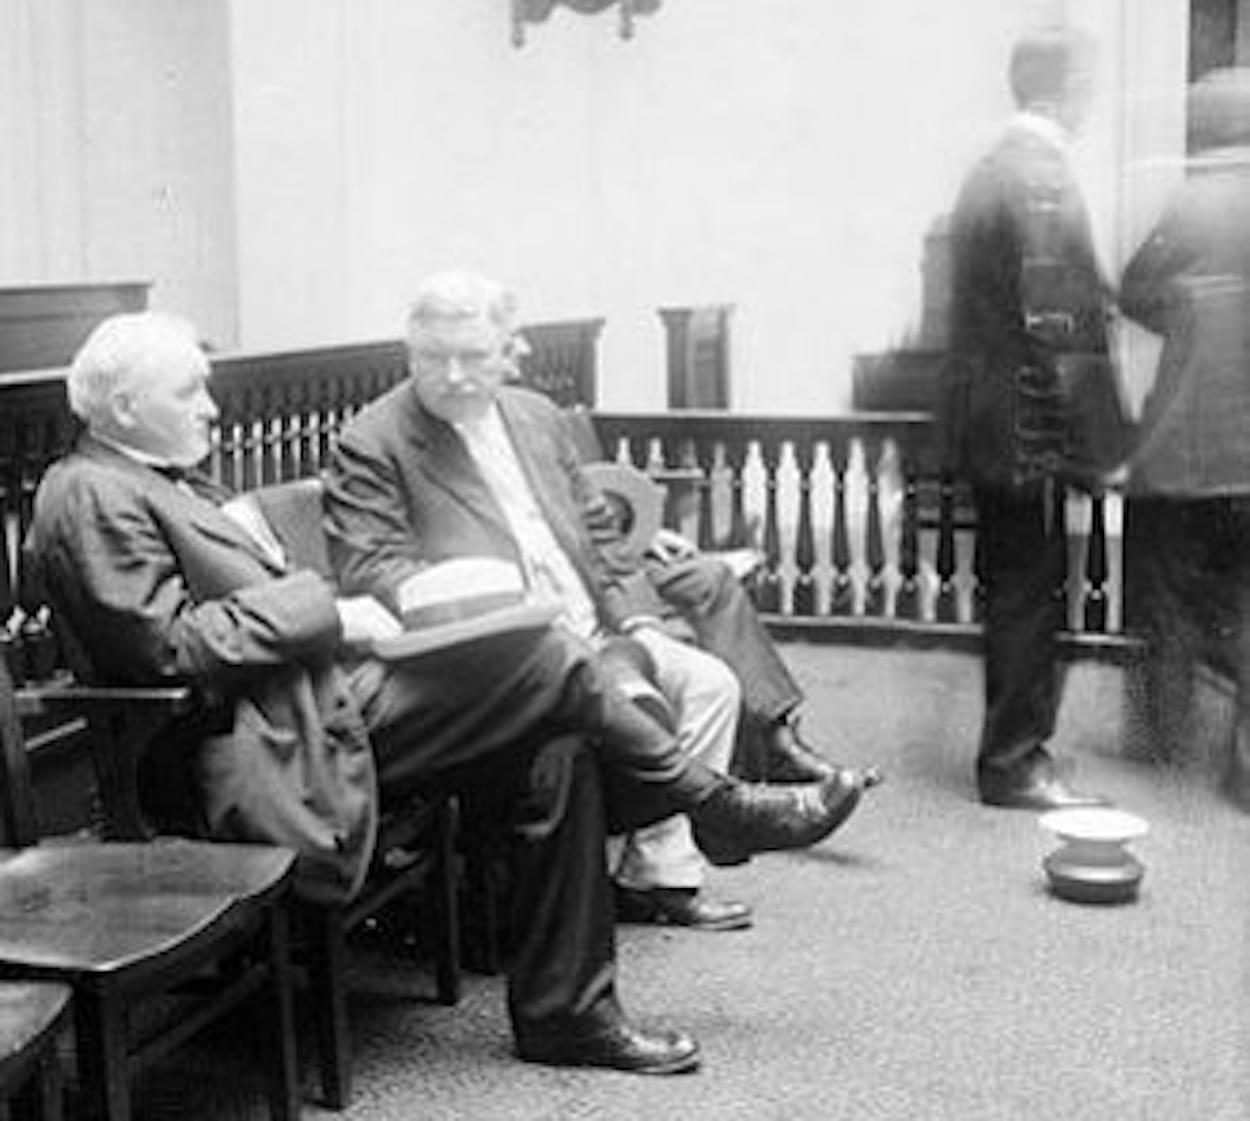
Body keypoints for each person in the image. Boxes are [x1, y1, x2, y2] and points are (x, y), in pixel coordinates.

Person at [30, 310, 863, 1075]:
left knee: (557, 738)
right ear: (124, 406)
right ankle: (706, 803)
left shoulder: (164, 476)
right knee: (546, 660)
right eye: (190, 391)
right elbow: (167, 649)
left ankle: (568, 1014)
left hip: (319, 705)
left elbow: (232, 613)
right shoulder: (90, 492)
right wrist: (326, 608)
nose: (211, 407)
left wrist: (345, 615)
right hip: (260, 743)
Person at [323, 271, 873, 934]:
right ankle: (721, 811)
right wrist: (488, 592)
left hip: (594, 623)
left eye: (473, 357)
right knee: (623, 702)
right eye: (433, 358)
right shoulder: (373, 440)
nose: (455, 375)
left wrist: (639, 618)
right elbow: (371, 565)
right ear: (409, 354)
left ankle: (659, 878)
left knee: (712, 682)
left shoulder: (534, 416)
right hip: (495, 649)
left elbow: (597, 531)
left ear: (507, 350)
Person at [937, 25, 1128, 810]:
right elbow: (1059, 323)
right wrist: (1100, 440)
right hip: (1028, 421)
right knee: (1028, 586)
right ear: (1057, 87)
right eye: (1083, 81)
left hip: (991, 414)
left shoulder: (990, 170)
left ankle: (1017, 748)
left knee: (1013, 582)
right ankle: (1015, 761)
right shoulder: (1040, 175)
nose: (1090, 97)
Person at [1119, 68, 1250, 809]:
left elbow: (1133, 285)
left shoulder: (1191, 203)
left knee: (1164, 589)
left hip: (1187, 445)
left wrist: (1184, 318)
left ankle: (1165, 743)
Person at [580, 479, 884, 787]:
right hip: (584, 565)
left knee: (714, 577)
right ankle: (770, 752)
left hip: (611, 550)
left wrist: (644, 535)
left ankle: (776, 736)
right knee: (667, 595)